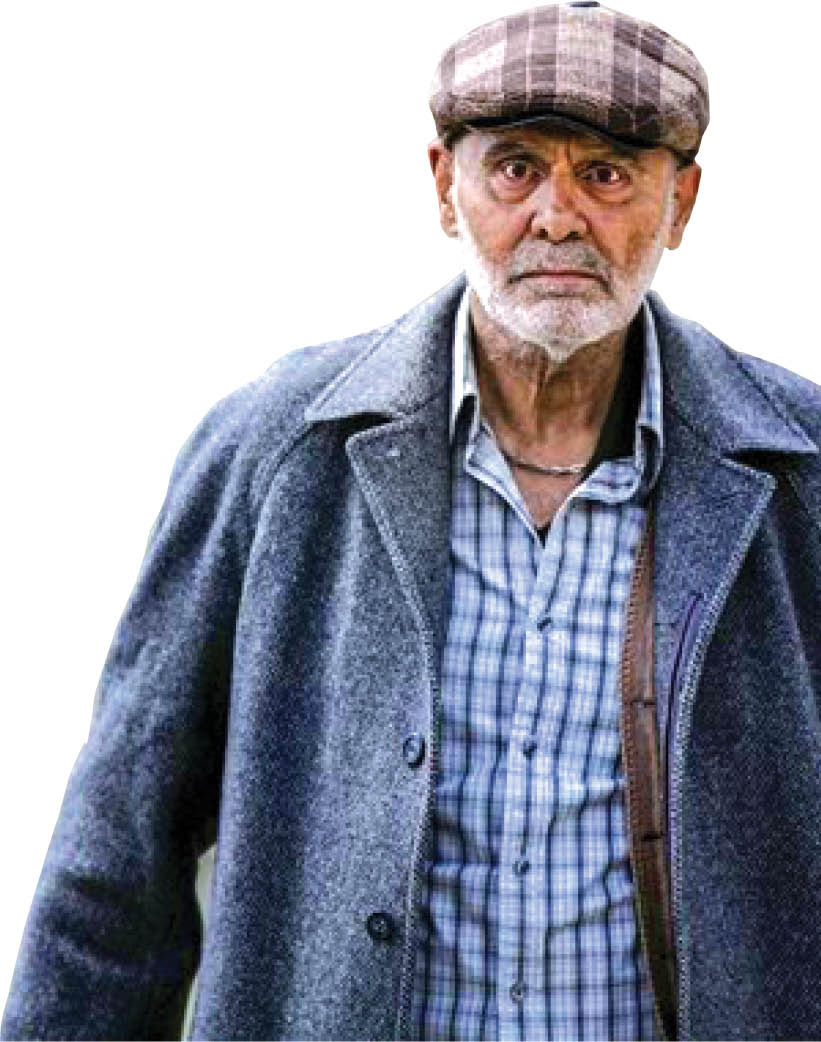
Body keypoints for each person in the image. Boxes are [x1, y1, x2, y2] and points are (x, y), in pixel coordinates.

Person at [3, 2, 821, 1039]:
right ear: (444, 185)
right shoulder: (272, 453)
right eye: (515, 169)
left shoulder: (796, 470)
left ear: (679, 202)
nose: (557, 217)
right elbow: (118, 857)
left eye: (607, 174)